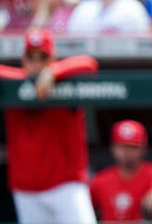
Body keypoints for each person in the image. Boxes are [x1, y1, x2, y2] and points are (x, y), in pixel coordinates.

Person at [0, 28, 98, 224]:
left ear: (52, 57)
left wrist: (54, 72)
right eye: (31, 57)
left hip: (66, 187)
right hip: (27, 191)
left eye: (42, 58)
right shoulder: (12, 82)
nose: (36, 64)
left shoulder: (65, 81)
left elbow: (89, 63)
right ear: (23, 59)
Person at [90, 120, 152, 221]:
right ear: (113, 148)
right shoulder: (101, 178)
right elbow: (85, 204)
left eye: (132, 147)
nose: (127, 152)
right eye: (122, 147)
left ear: (143, 149)